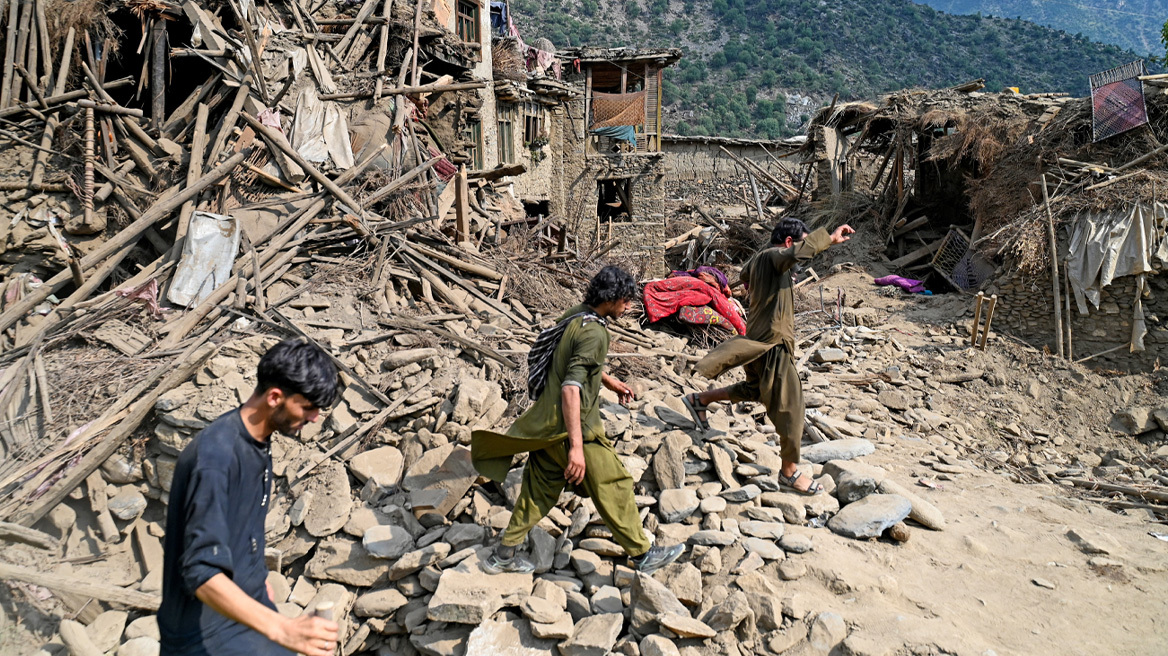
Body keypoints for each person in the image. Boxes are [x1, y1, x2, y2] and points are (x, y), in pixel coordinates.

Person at [471, 266, 685, 574]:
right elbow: (572, 388)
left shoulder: (577, 315)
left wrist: (608, 381)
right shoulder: (596, 332)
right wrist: (576, 448)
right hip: (575, 429)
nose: (628, 305)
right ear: (611, 299)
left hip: (545, 426)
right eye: (625, 300)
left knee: (538, 492)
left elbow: (572, 361)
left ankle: (502, 556)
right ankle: (642, 554)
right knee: (615, 483)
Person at [159, 339, 341, 656]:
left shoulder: (257, 440)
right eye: (308, 407)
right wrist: (284, 629)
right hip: (204, 634)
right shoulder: (216, 458)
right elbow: (202, 573)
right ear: (275, 397)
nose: (314, 418)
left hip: (245, 610)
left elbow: (240, 531)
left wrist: (258, 581)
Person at [682, 219, 854, 495]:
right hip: (772, 344)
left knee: (755, 390)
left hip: (756, 340)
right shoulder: (774, 257)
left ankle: (700, 400)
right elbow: (795, 255)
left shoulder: (759, 260)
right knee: (792, 406)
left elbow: (746, 275)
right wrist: (829, 239)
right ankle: (789, 473)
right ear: (788, 243)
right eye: (799, 243)